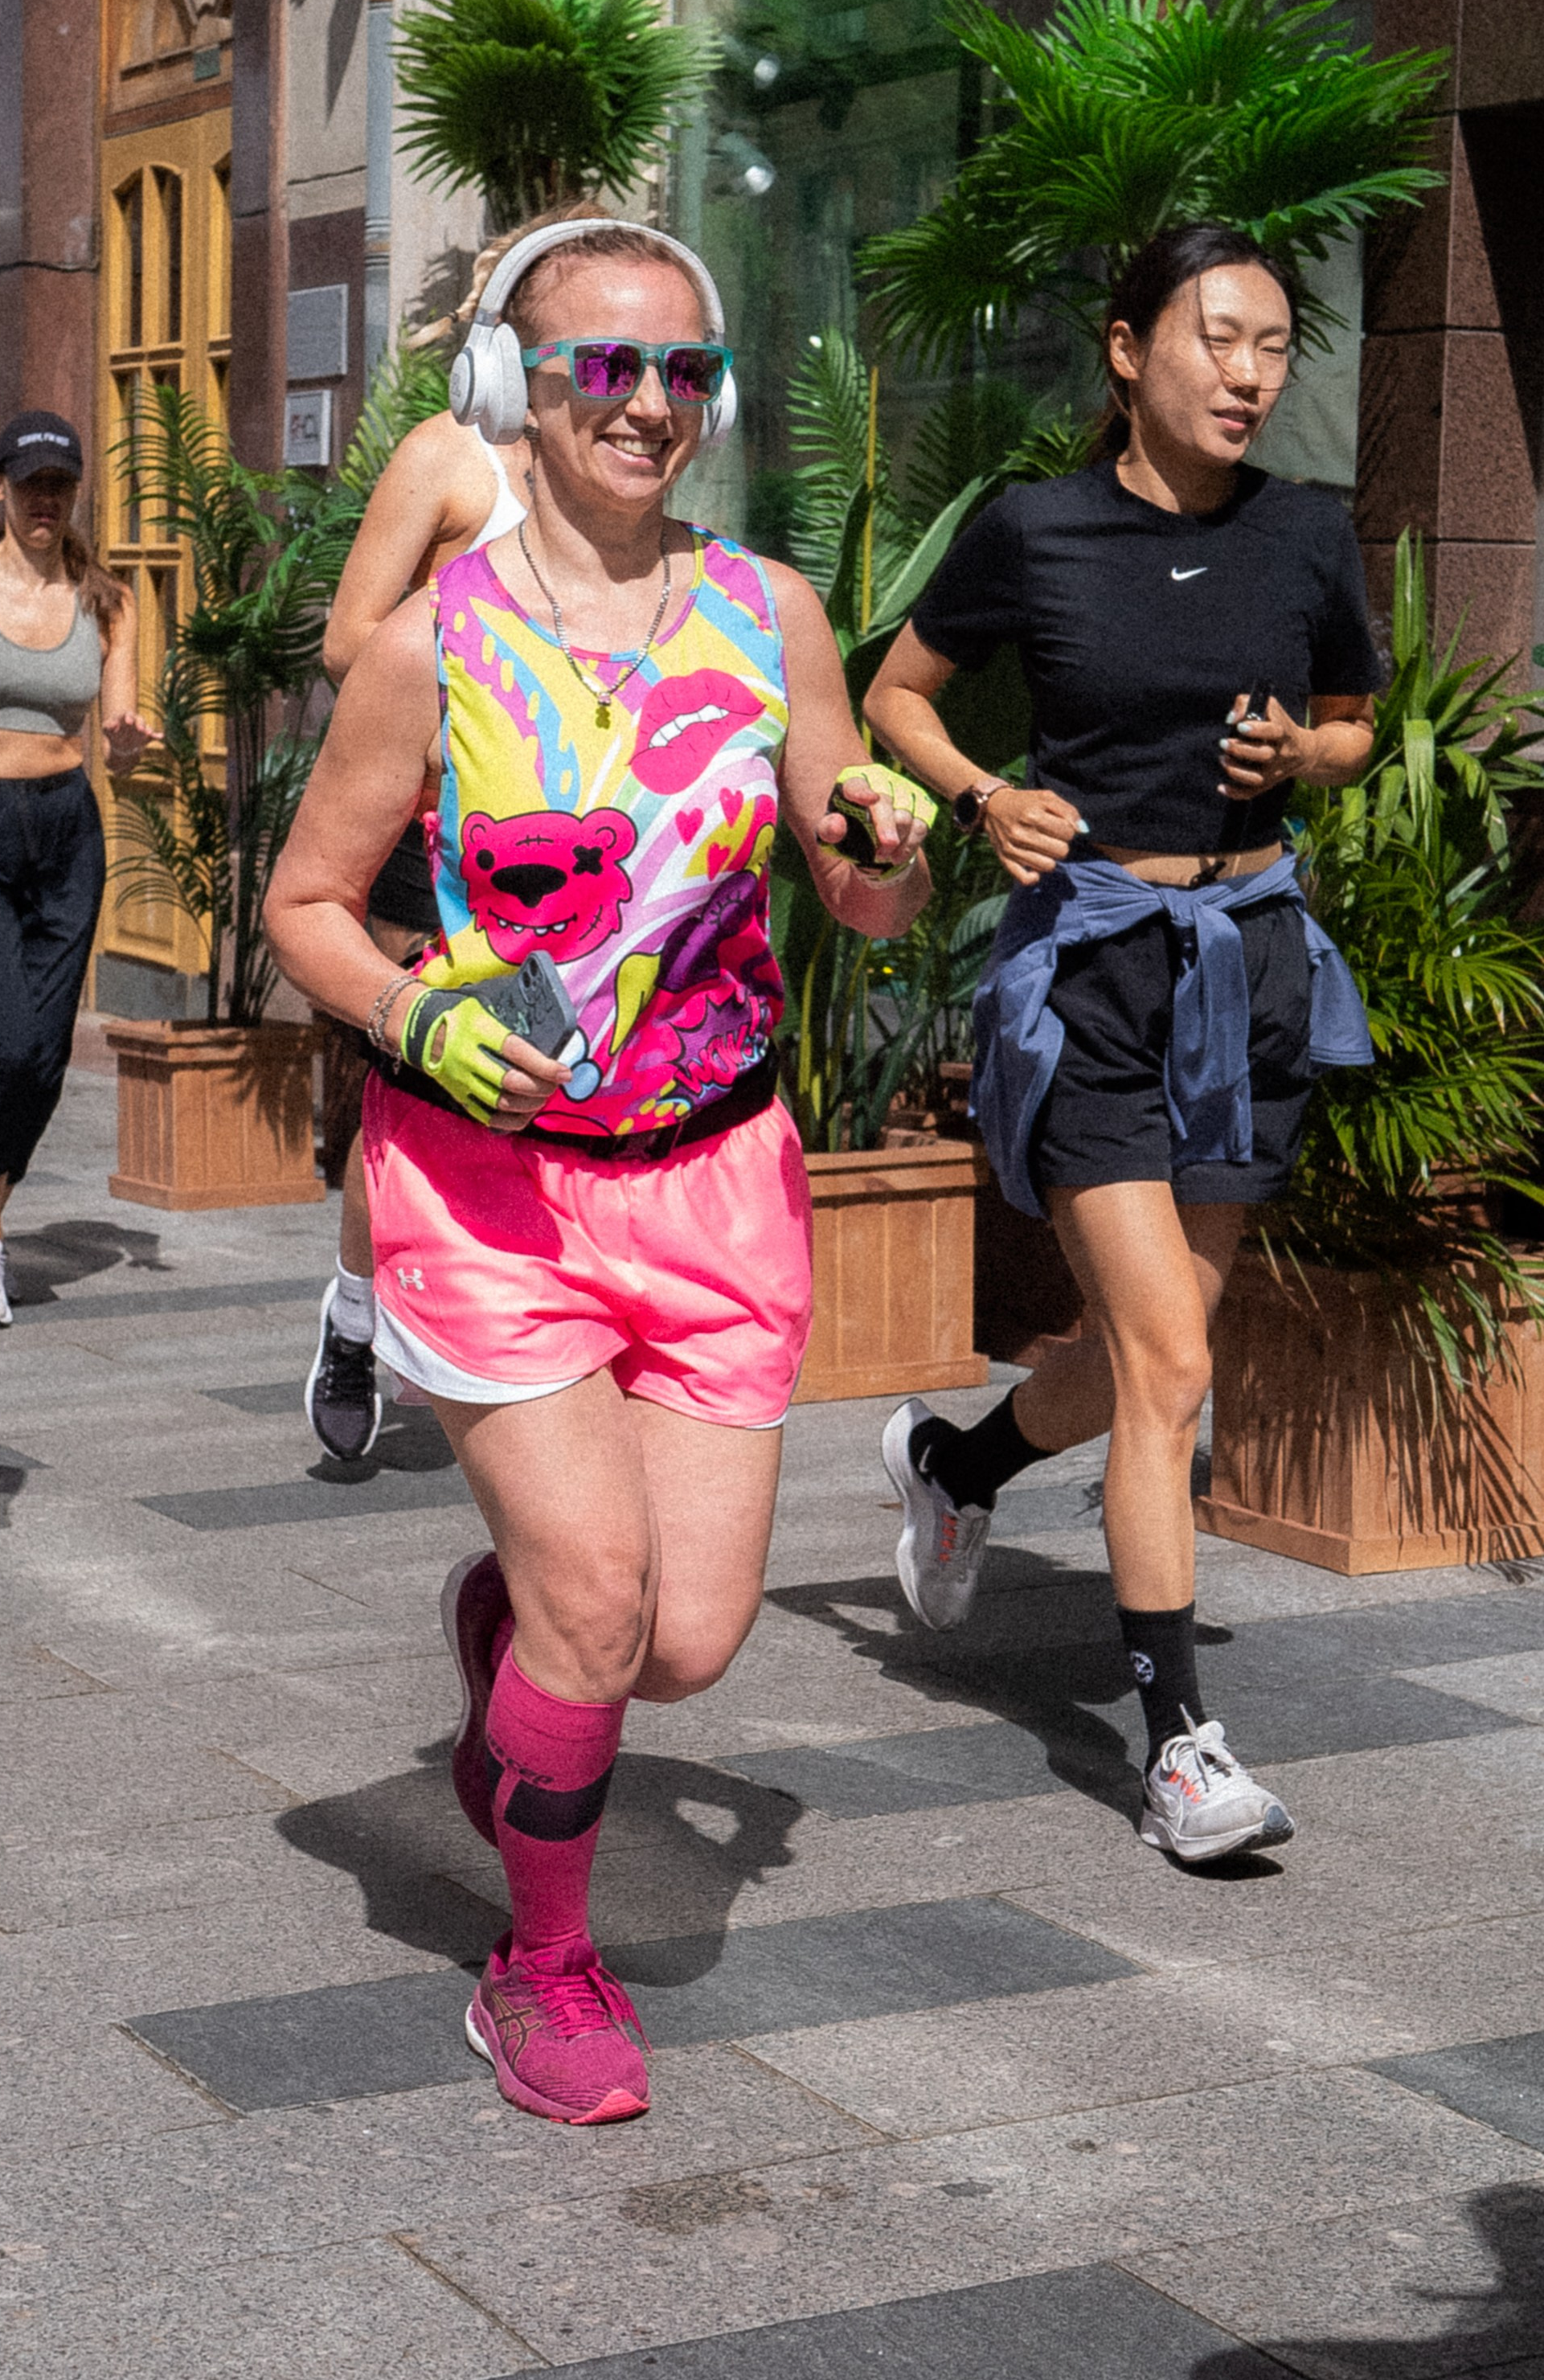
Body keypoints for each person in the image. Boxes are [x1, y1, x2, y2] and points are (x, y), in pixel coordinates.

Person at [267, 217, 931, 2120]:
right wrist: (415, 1019)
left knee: (688, 1643)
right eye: (603, 370)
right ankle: (539, 1962)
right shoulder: (430, 643)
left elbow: (856, 888)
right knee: (596, 1608)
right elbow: (306, 904)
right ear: (520, 398)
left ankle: (511, 1648)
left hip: (715, 1174)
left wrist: (881, 845)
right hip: (490, 1186)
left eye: (684, 372)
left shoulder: (772, 613)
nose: (649, 404)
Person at [863, 222, 1378, 1866]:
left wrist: (1306, 750)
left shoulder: (1305, 535)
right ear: (1128, 347)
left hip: (1250, 968)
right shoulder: (1039, 527)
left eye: (1274, 344)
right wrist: (983, 794)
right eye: (1217, 336)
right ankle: (1179, 1745)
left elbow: (1359, 725)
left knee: (1151, 1363)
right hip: (1092, 966)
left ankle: (954, 1457)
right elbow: (897, 693)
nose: (1247, 371)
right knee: (1169, 1362)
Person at [301, 214, 603, 1460]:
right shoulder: (448, 455)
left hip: (586, 853)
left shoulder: (622, 470)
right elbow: (343, 639)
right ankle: (360, 1310)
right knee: (416, 1085)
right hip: (444, 842)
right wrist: (465, 679)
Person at [0, 411, 154, 1327]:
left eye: (61, 484)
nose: (45, 499)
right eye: (30, 483)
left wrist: (129, 743)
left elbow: (119, 736)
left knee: (46, 1056)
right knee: (8, 1037)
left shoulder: (109, 600)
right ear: (0, 488)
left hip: (66, 830)